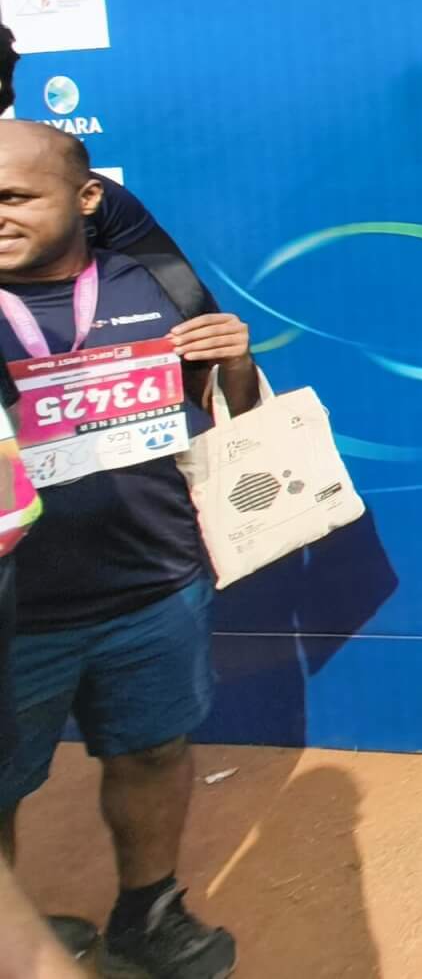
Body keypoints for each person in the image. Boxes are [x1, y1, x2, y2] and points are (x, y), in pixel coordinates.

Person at [0, 122, 257, 979]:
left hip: (154, 587)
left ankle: (148, 915)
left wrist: (238, 362)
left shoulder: (153, 284)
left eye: (13, 197)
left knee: (152, 752)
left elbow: (235, 420)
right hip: (15, 612)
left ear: (85, 200)